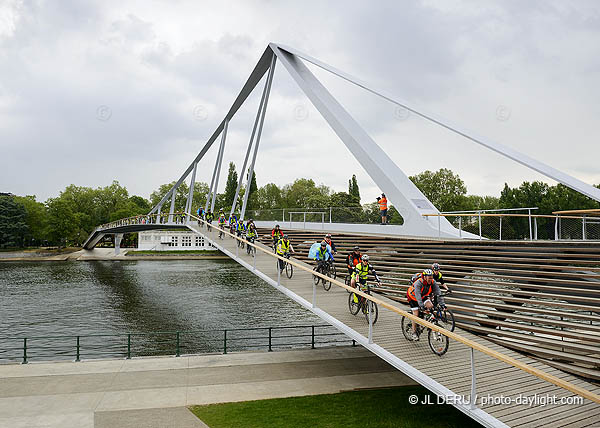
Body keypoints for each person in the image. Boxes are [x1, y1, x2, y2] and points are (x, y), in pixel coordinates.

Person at [406, 269, 445, 341]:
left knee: (431, 306)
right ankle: (414, 333)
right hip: (412, 297)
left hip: (423, 296)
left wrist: (442, 304)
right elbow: (417, 295)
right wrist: (421, 305)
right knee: (416, 314)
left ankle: (423, 319)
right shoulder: (418, 283)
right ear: (425, 277)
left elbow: (438, 293)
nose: (430, 279)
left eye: (431, 277)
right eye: (429, 277)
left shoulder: (433, 282)